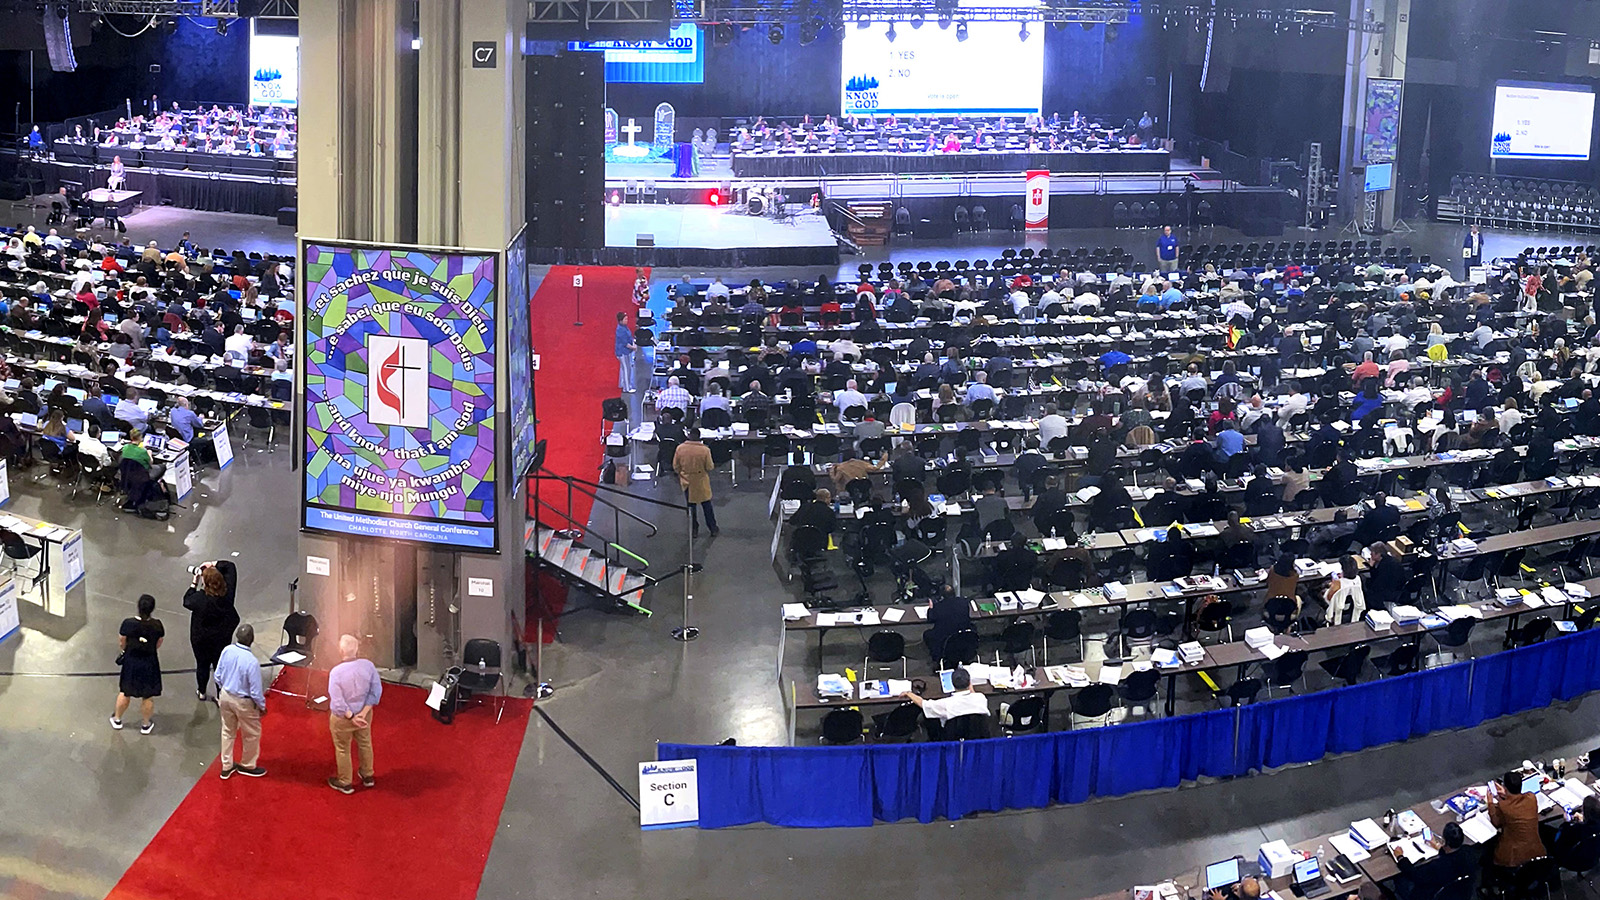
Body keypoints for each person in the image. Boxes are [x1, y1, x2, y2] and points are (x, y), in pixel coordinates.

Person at [326, 634, 381, 794]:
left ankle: (345, 781)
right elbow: (375, 692)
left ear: (340, 651)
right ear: (357, 649)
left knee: (342, 748)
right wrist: (362, 714)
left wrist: (351, 716)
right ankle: (368, 775)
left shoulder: (336, 672)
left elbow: (337, 701)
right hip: (364, 714)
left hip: (343, 718)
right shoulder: (368, 666)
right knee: (365, 743)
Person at [214, 623, 267, 779]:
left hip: (225, 695)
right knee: (251, 734)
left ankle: (226, 766)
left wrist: (225, 689)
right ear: (252, 639)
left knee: (227, 731)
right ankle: (247, 765)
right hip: (243, 702)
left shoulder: (227, 650)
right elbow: (256, 691)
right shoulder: (252, 662)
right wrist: (262, 706)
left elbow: (217, 675)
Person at [184, 561, 239, 701]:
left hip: (201, 640)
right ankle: (220, 694)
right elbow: (230, 567)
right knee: (219, 667)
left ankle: (201, 691)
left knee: (202, 665)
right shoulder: (227, 594)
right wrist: (214, 564)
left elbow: (186, 601)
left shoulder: (199, 599)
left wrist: (193, 583)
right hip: (221, 639)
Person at [111, 593, 164, 735]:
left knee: (125, 691)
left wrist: (128, 650)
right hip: (149, 662)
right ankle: (146, 724)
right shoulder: (157, 625)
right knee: (147, 695)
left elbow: (122, 641)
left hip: (131, 662)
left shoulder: (128, 624)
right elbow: (158, 643)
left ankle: (117, 719)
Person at [1392, 823, 1478, 900]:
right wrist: (1438, 847)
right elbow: (1452, 855)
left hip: (1431, 895)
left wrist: (1400, 857)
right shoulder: (1470, 851)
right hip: (1460, 893)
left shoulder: (1438, 866)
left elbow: (1415, 875)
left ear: (1444, 841)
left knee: (1399, 877)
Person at [1487, 771, 1545, 869]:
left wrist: (1490, 803)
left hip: (1514, 856)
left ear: (1505, 787)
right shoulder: (1531, 797)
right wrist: (1506, 795)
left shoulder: (1503, 806)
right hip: (1536, 850)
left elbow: (1496, 822)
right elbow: (1516, 801)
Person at [899, 665, 989, 726]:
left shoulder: (946, 704)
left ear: (952, 684)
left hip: (953, 738)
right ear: (970, 683)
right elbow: (973, 695)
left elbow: (923, 704)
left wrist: (908, 693)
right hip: (977, 739)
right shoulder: (981, 698)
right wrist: (970, 687)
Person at [672, 428, 718, 537]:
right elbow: (709, 467)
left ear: (688, 435)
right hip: (701, 480)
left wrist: (682, 472)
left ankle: (694, 529)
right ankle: (712, 528)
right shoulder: (705, 450)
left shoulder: (680, 448)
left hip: (687, 481)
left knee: (691, 506)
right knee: (706, 505)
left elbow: (676, 466)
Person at [1323, 555, 1366, 626]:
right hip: (1351, 608)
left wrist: (1333, 584)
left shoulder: (1338, 584)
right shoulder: (1358, 579)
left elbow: (1328, 599)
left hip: (1337, 608)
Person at [614, 311, 637, 393]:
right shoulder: (620, 330)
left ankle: (622, 383)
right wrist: (633, 347)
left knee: (623, 368)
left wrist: (633, 343)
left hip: (626, 351)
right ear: (620, 320)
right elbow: (625, 343)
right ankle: (627, 388)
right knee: (627, 369)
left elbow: (629, 337)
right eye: (625, 319)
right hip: (622, 352)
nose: (627, 320)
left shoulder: (624, 327)